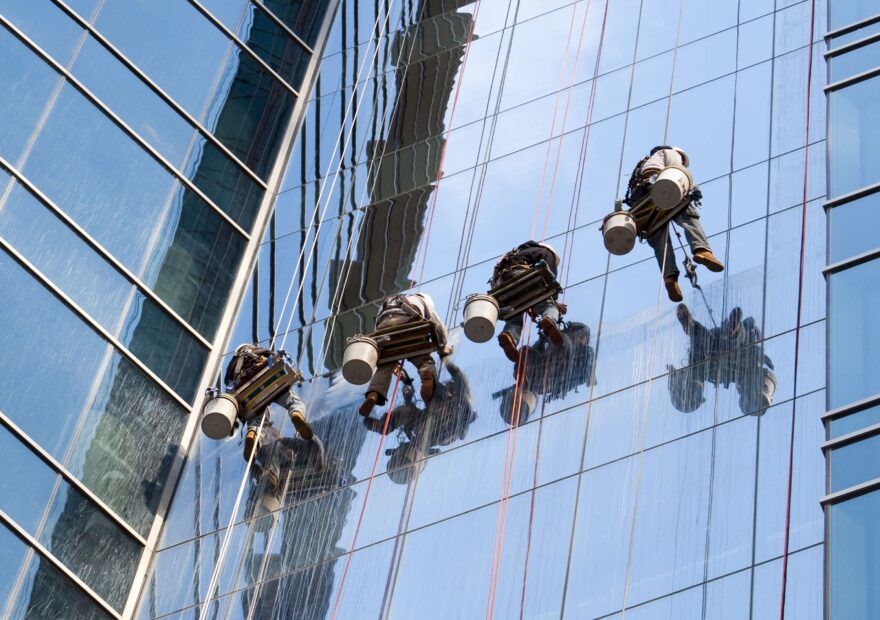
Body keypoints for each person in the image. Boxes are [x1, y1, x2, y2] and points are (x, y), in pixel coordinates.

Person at [625, 146, 724, 302]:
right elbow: (674, 172)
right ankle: (701, 250)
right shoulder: (670, 153)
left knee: (659, 240)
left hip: (642, 201)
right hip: (662, 188)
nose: (683, 164)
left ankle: (670, 278)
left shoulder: (639, 168)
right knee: (688, 215)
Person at [364, 363, 476, 483]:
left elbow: (411, 413)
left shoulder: (415, 430)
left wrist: (406, 387)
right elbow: (461, 380)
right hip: (435, 425)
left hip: (425, 429)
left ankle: (382, 425)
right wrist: (448, 363)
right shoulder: (446, 428)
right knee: (428, 392)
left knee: (417, 405)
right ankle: (383, 426)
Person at [669, 304, 776, 416]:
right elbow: (750, 337)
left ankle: (691, 326)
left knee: (702, 352)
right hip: (724, 344)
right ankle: (732, 331)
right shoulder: (748, 366)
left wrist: (674, 376)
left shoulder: (739, 376)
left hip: (711, 352)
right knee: (734, 343)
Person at [359, 293, 451, 416]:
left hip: (386, 333)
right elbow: (439, 326)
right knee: (424, 360)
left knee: (384, 368)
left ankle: (373, 393)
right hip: (411, 327)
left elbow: (377, 327)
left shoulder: (387, 303)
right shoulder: (421, 301)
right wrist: (443, 346)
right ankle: (427, 375)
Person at [224, 343, 313, 461]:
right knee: (293, 402)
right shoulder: (258, 351)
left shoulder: (232, 369)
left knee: (257, 421)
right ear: (251, 347)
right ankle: (296, 414)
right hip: (270, 379)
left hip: (248, 393)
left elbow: (228, 384)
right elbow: (276, 359)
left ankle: (253, 435)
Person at [495, 321, 595, 425]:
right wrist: (542, 339)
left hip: (547, 375)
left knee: (561, 343)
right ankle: (524, 380)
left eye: (582, 335)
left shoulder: (580, 352)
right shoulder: (571, 352)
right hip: (543, 376)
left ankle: (524, 381)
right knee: (527, 351)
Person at [492, 241, 564, 362]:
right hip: (522, 274)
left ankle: (509, 336)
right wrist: (555, 301)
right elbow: (549, 278)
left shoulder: (513, 254)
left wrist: (531, 306)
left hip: (502, 284)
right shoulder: (546, 252)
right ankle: (549, 319)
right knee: (548, 305)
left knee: (514, 314)